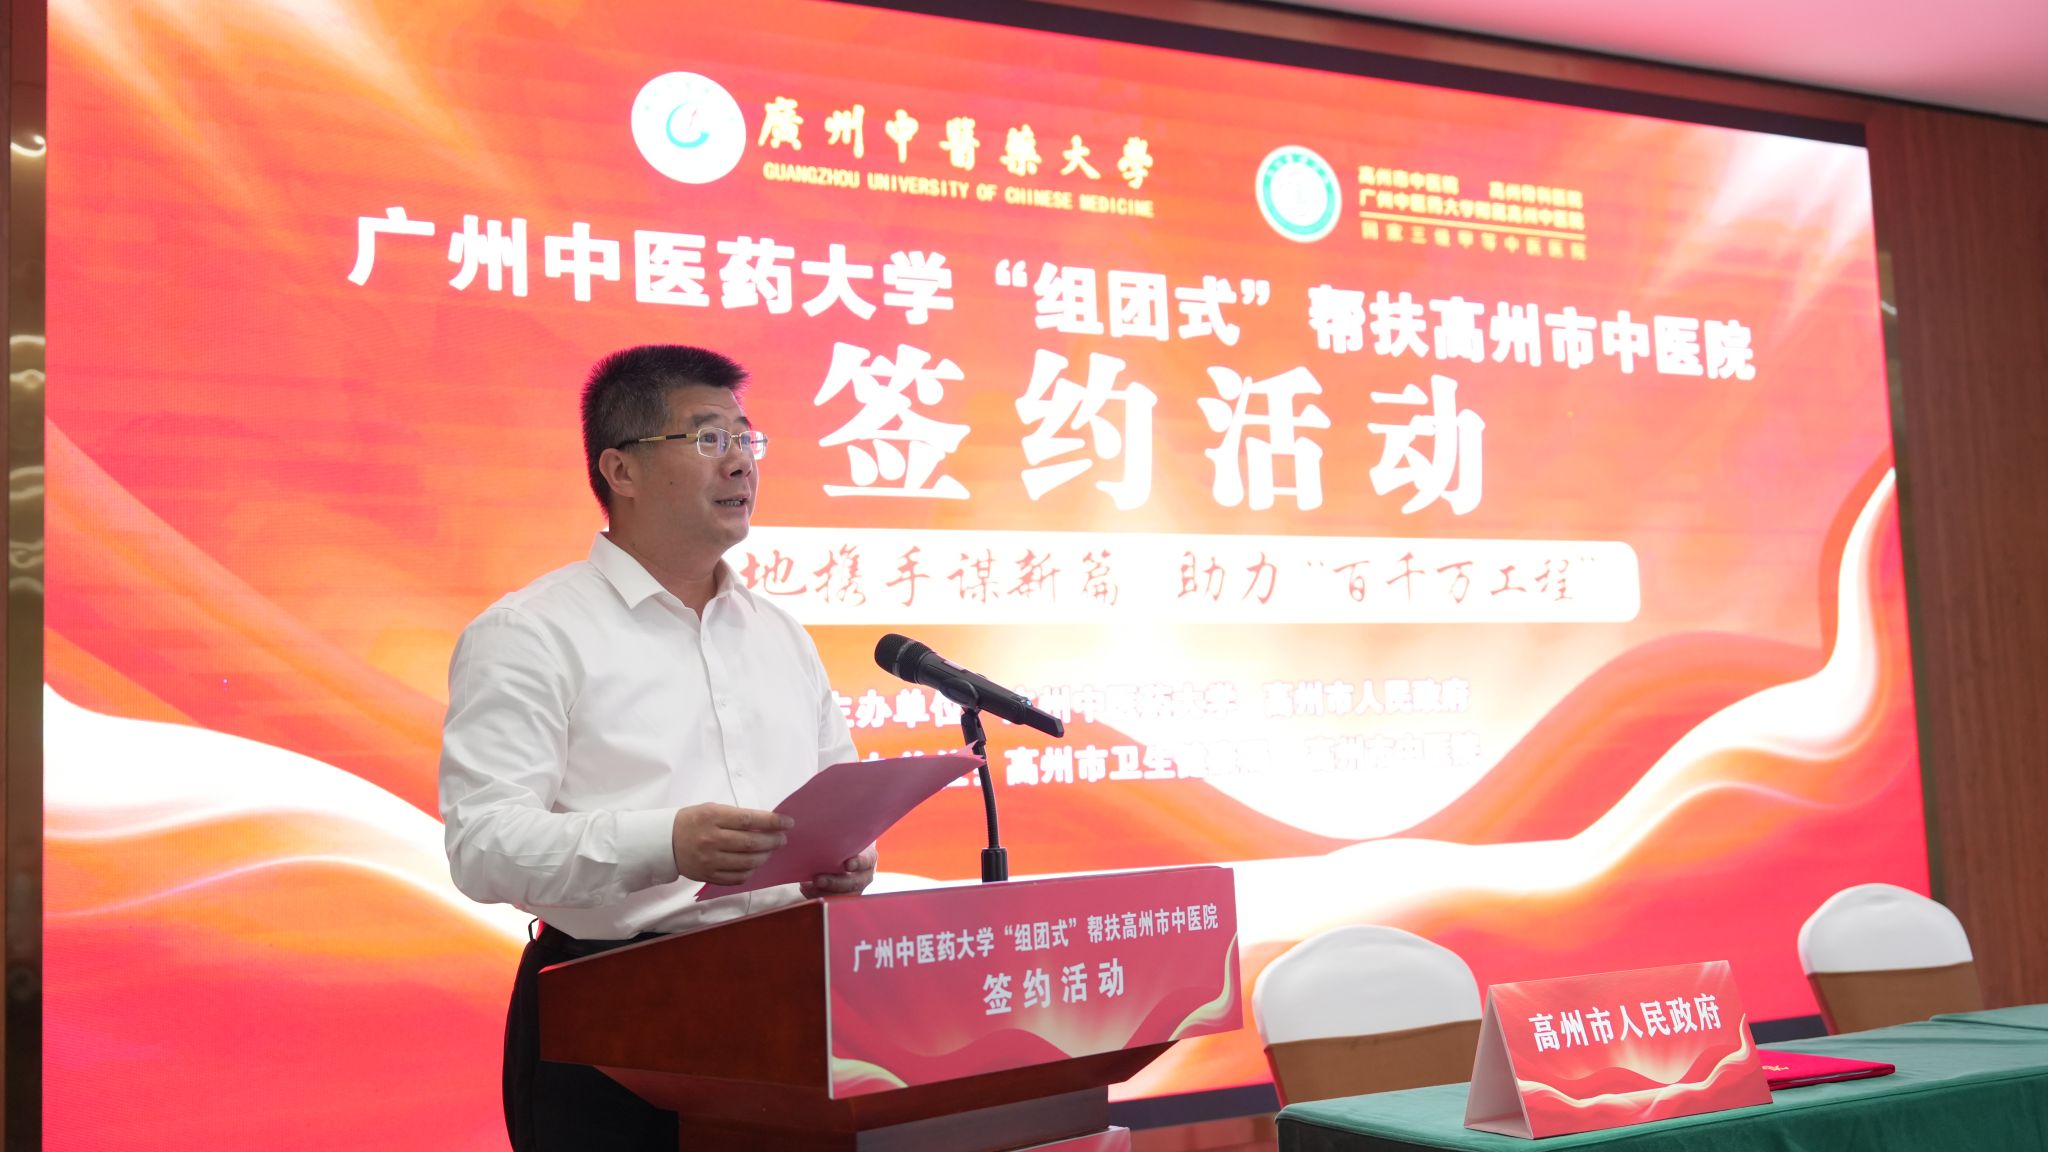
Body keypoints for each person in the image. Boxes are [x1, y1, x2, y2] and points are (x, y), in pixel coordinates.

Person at [438, 344, 873, 1152]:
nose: (740, 461)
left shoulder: (779, 634)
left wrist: (844, 859)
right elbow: (483, 846)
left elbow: (834, 791)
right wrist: (667, 843)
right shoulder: (530, 633)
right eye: (708, 439)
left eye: (746, 438)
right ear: (622, 469)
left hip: (790, 1008)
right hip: (611, 1019)